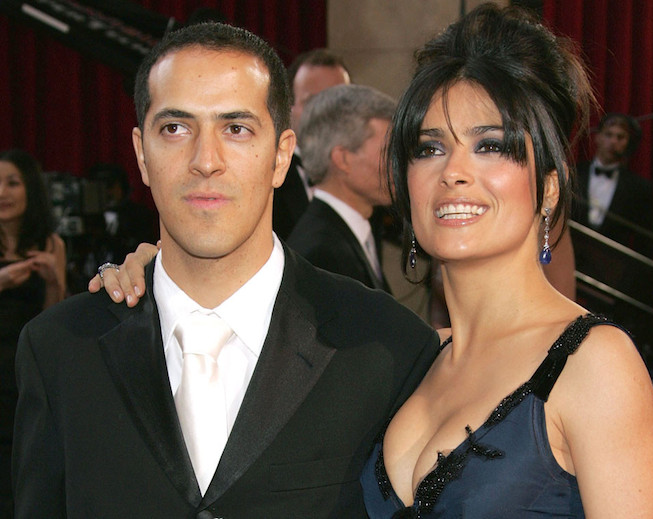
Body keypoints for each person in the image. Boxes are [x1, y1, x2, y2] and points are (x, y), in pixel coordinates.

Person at [13, 23, 438, 518]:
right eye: (175, 128)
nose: (205, 161)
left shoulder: (386, 347)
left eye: (236, 129)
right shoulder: (59, 350)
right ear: (141, 155)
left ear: (281, 157)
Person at [358, 5, 653, 517]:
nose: (453, 171)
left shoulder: (594, 363)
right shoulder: (414, 358)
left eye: (490, 145)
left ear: (548, 188)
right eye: (429, 149)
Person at [0, 149, 66, 514]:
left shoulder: (52, 244)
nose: (2, 193)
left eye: (12, 183)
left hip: (25, 371)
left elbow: (54, 321)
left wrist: (54, 280)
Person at [287, 84, 395, 291]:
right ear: (343, 159)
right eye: (388, 151)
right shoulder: (320, 254)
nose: (400, 163)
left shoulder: (347, 232)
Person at [273, 48, 351, 240]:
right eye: (313, 101)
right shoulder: (269, 182)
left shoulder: (364, 175)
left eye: (338, 101)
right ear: (289, 110)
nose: (325, 112)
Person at [573, 112, 653, 256]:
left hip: (612, 263)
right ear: (598, 137)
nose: (613, 141)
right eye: (608, 134)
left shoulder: (639, 188)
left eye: (620, 137)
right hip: (569, 256)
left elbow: (645, 241)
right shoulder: (573, 174)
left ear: (628, 143)